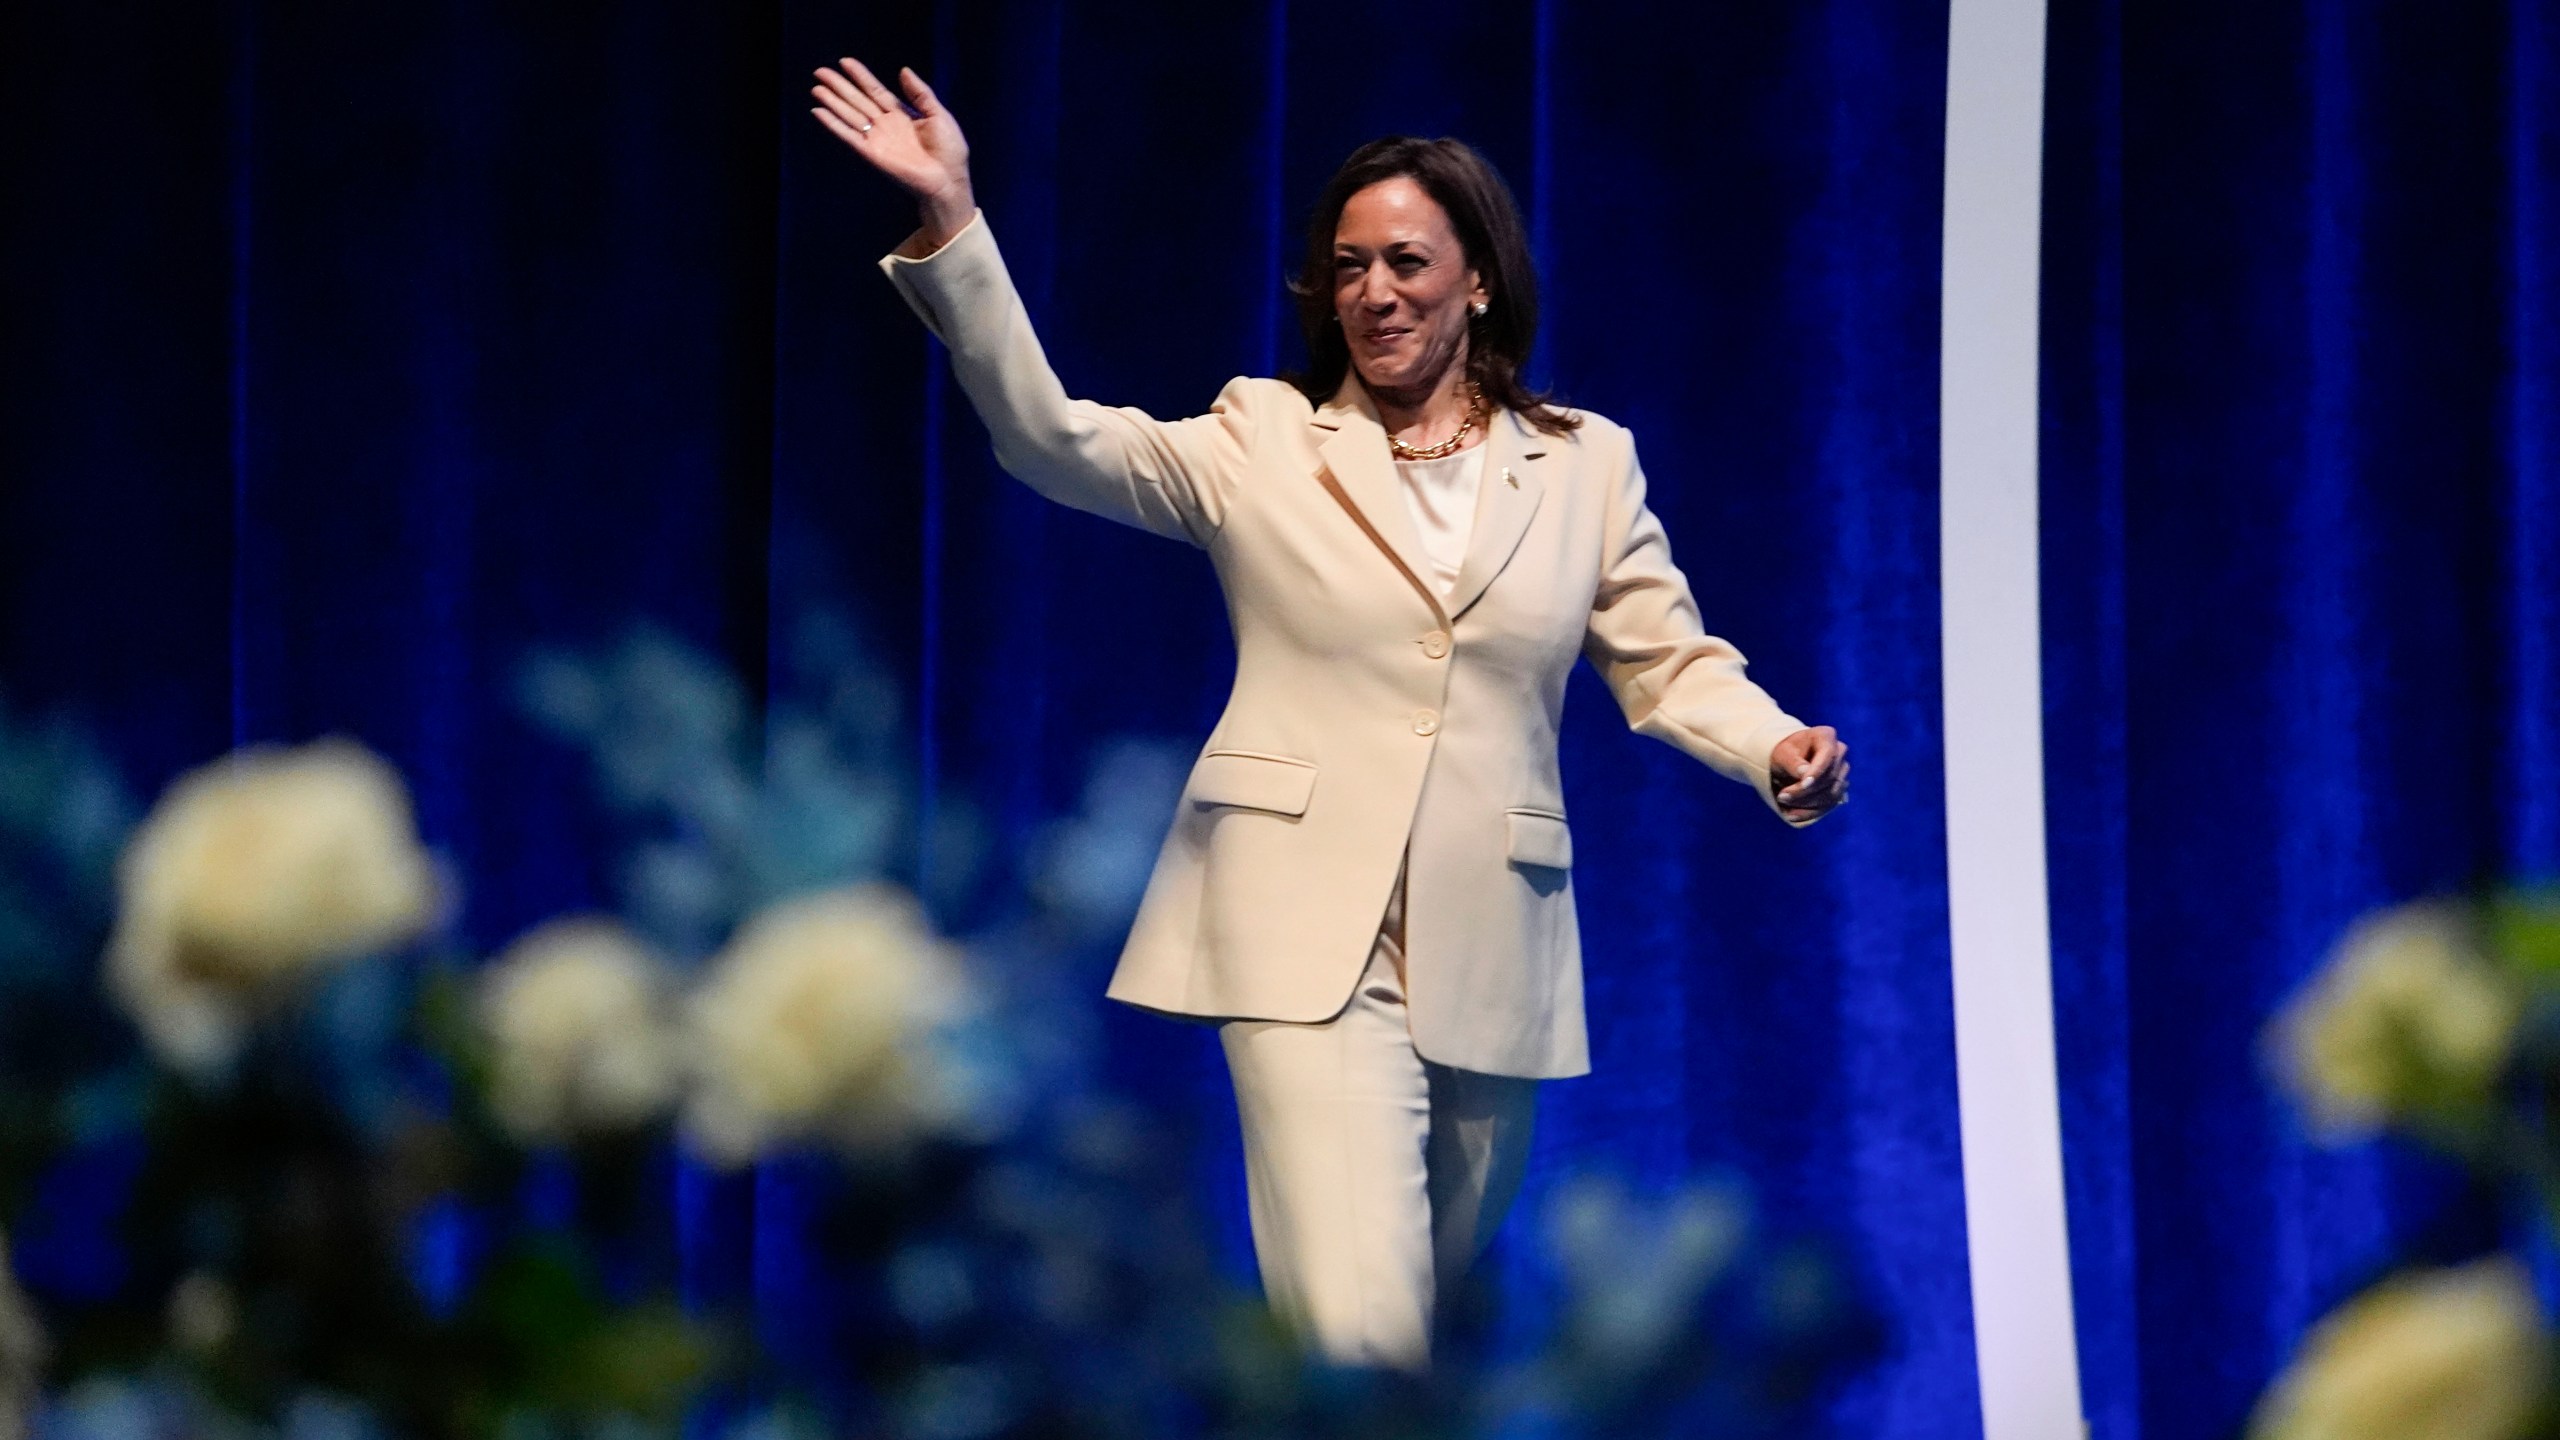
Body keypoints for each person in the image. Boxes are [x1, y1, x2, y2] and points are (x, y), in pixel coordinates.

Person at [810, 57, 1849, 1370]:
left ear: (1478, 277)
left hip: (1491, 947)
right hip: (1302, 938)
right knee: (1367, 1336)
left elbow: (1668, 660)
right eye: (1348, 265)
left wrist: (1774, 748)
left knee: (1407, 1352)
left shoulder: (1584, 462)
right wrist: (954, 224)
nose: (1373, 292)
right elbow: (1049, 437)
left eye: (1406, 262)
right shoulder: (1262, 440)